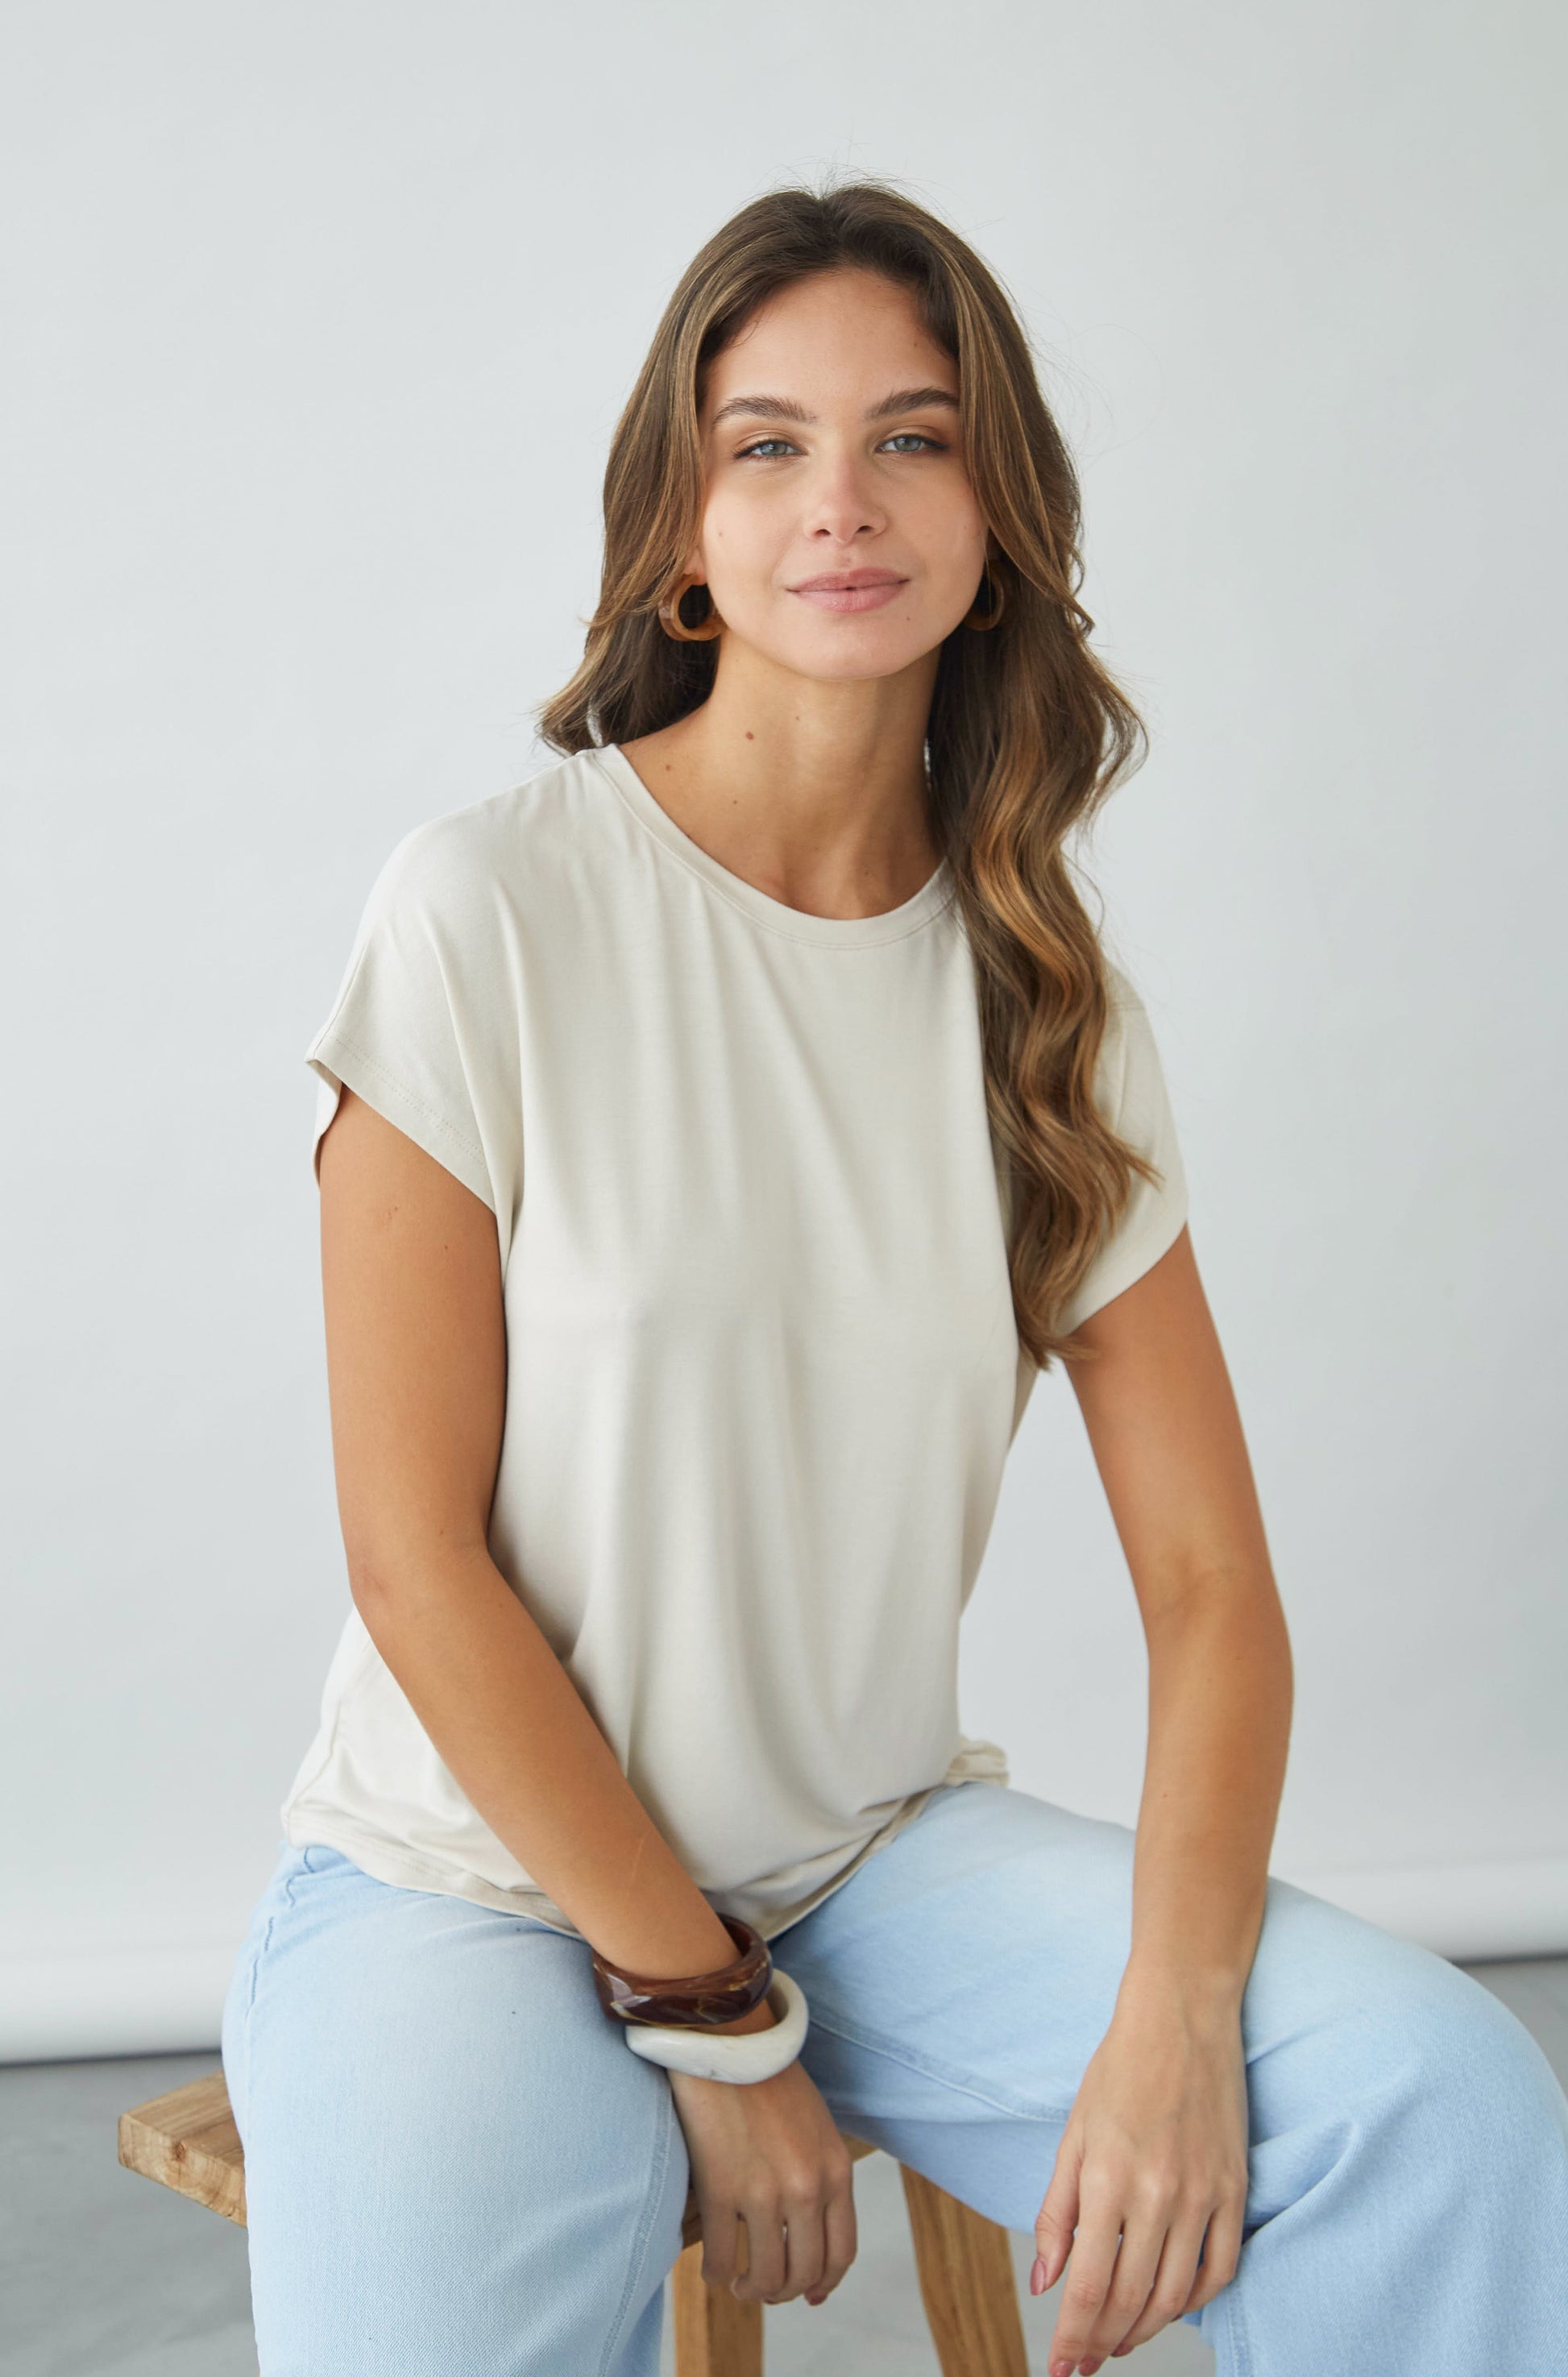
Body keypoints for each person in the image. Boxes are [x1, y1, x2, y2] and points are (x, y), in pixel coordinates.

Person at [221, 180, 1568, 2377]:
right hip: (469, 1882)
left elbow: (1212, 1589)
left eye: (912, 438)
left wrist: (1175, 2012)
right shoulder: (489, 911)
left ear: (997, 515)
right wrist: (711, 2018)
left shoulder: (1042, 1001)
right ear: (683, 532)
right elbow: (414, 1561)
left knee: (1436, 2102)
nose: (839, 500)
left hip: (861, 1869)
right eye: (765, 445)